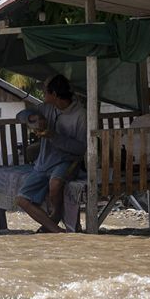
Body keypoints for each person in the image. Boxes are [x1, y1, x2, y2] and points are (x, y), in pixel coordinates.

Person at [15, 74, 87, 233]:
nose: (43, 95)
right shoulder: (46, 108)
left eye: (46, 92)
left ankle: (56, 216)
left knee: (55, 183)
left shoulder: (80, 115)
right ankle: (56, 230)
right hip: (43, 163)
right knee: (21, 199)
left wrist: (53, 136)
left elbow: (81, 148)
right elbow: (20, 115)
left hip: (67, 161)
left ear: (54, 95)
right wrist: (33, 117)